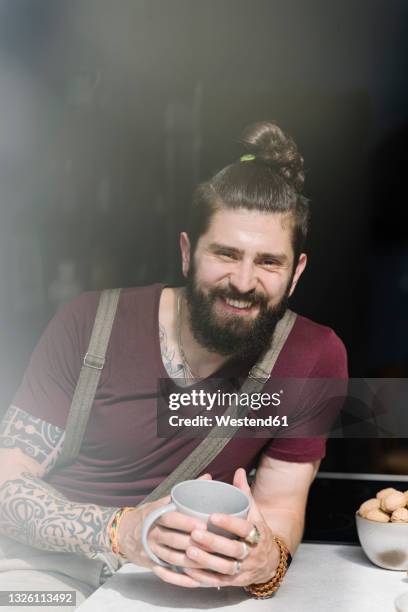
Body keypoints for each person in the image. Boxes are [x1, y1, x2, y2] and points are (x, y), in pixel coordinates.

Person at [0, 121, 347, 607]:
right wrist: (122, 531)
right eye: (226, 254)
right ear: (188, 253)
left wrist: (265, 561)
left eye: (268, 262)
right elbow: (5, 487)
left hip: (178, 590)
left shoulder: (313, 356)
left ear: (296, 273)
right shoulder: (89, 323)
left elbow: (280, 509)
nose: (243, 282)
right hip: (44, 572)